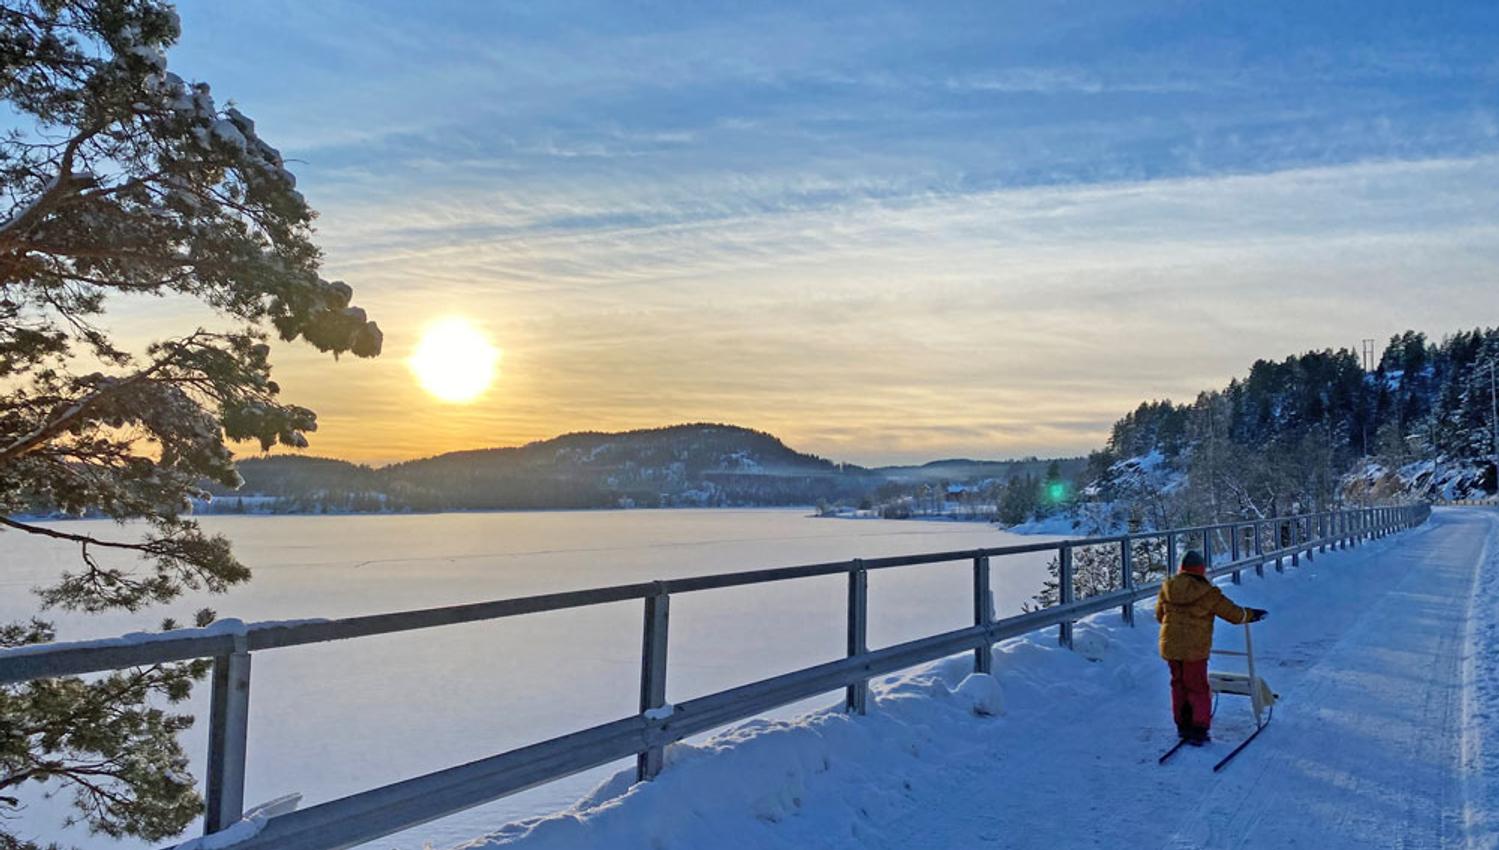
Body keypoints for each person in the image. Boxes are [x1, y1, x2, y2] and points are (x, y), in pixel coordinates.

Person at [1155, 550, 1266, 745]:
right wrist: (1251, 615)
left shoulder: (1168, 587)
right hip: (1194, 649)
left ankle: (1182, 725)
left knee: (1178, 684)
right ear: (1201, 569)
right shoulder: (1207, 592)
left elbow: (1159, 616)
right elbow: (1233, 614)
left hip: (1171, 646)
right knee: (1197, 686)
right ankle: (1199, 728)